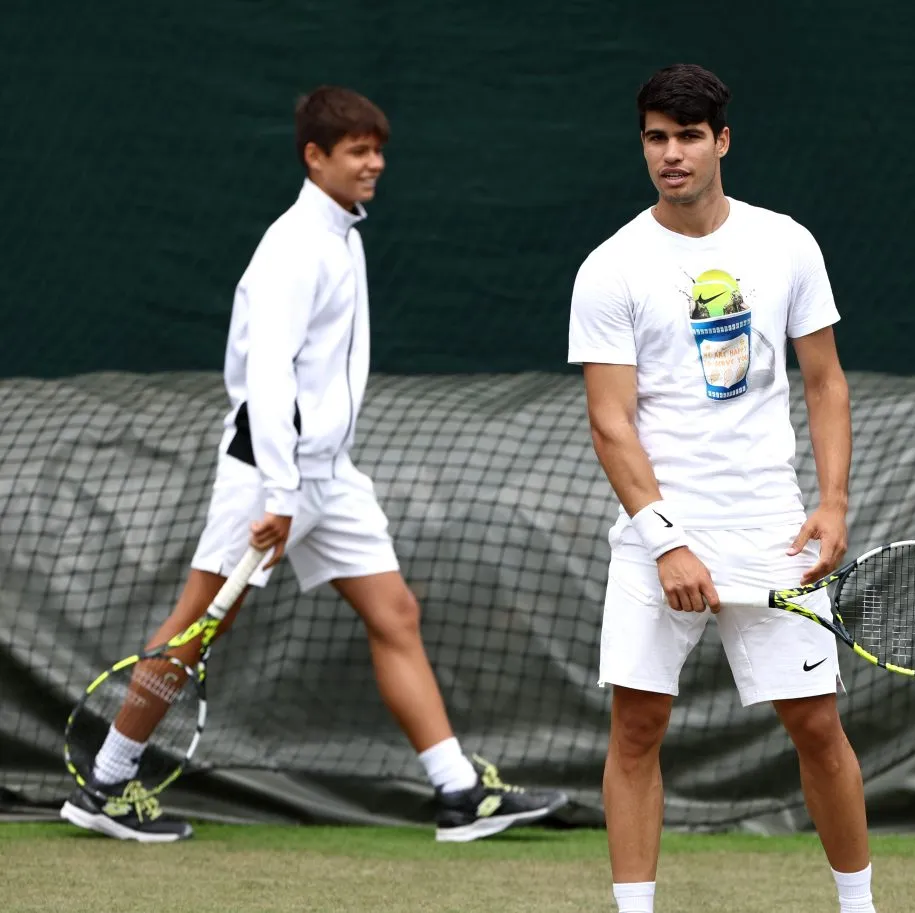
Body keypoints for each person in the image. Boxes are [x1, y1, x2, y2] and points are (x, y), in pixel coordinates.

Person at [60, 85, 567, 844]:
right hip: (270, 475)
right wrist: (283, 488)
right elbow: (268, 376)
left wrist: (312, 480)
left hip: (330, 474)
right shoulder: (294, 247)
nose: (375, 163)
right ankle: (107, 782)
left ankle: (459, 793)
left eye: (377, 148)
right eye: (358, 151)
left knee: (395, 611)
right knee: (195, 627)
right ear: (314, 156)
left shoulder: (342, 235)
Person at [567, 64, 875, 913]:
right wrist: (665, 537)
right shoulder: (611, 266)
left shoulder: (786, 243)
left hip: (772, 530)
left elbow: (825, 382)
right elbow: (610, 420)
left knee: (817, 726)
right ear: (643, 144)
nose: (672, 155)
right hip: (655, 535)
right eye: (657, 138)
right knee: (637, 729)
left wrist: (833, 499)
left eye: (689, 137)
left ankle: (860, 907)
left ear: (721, 141)